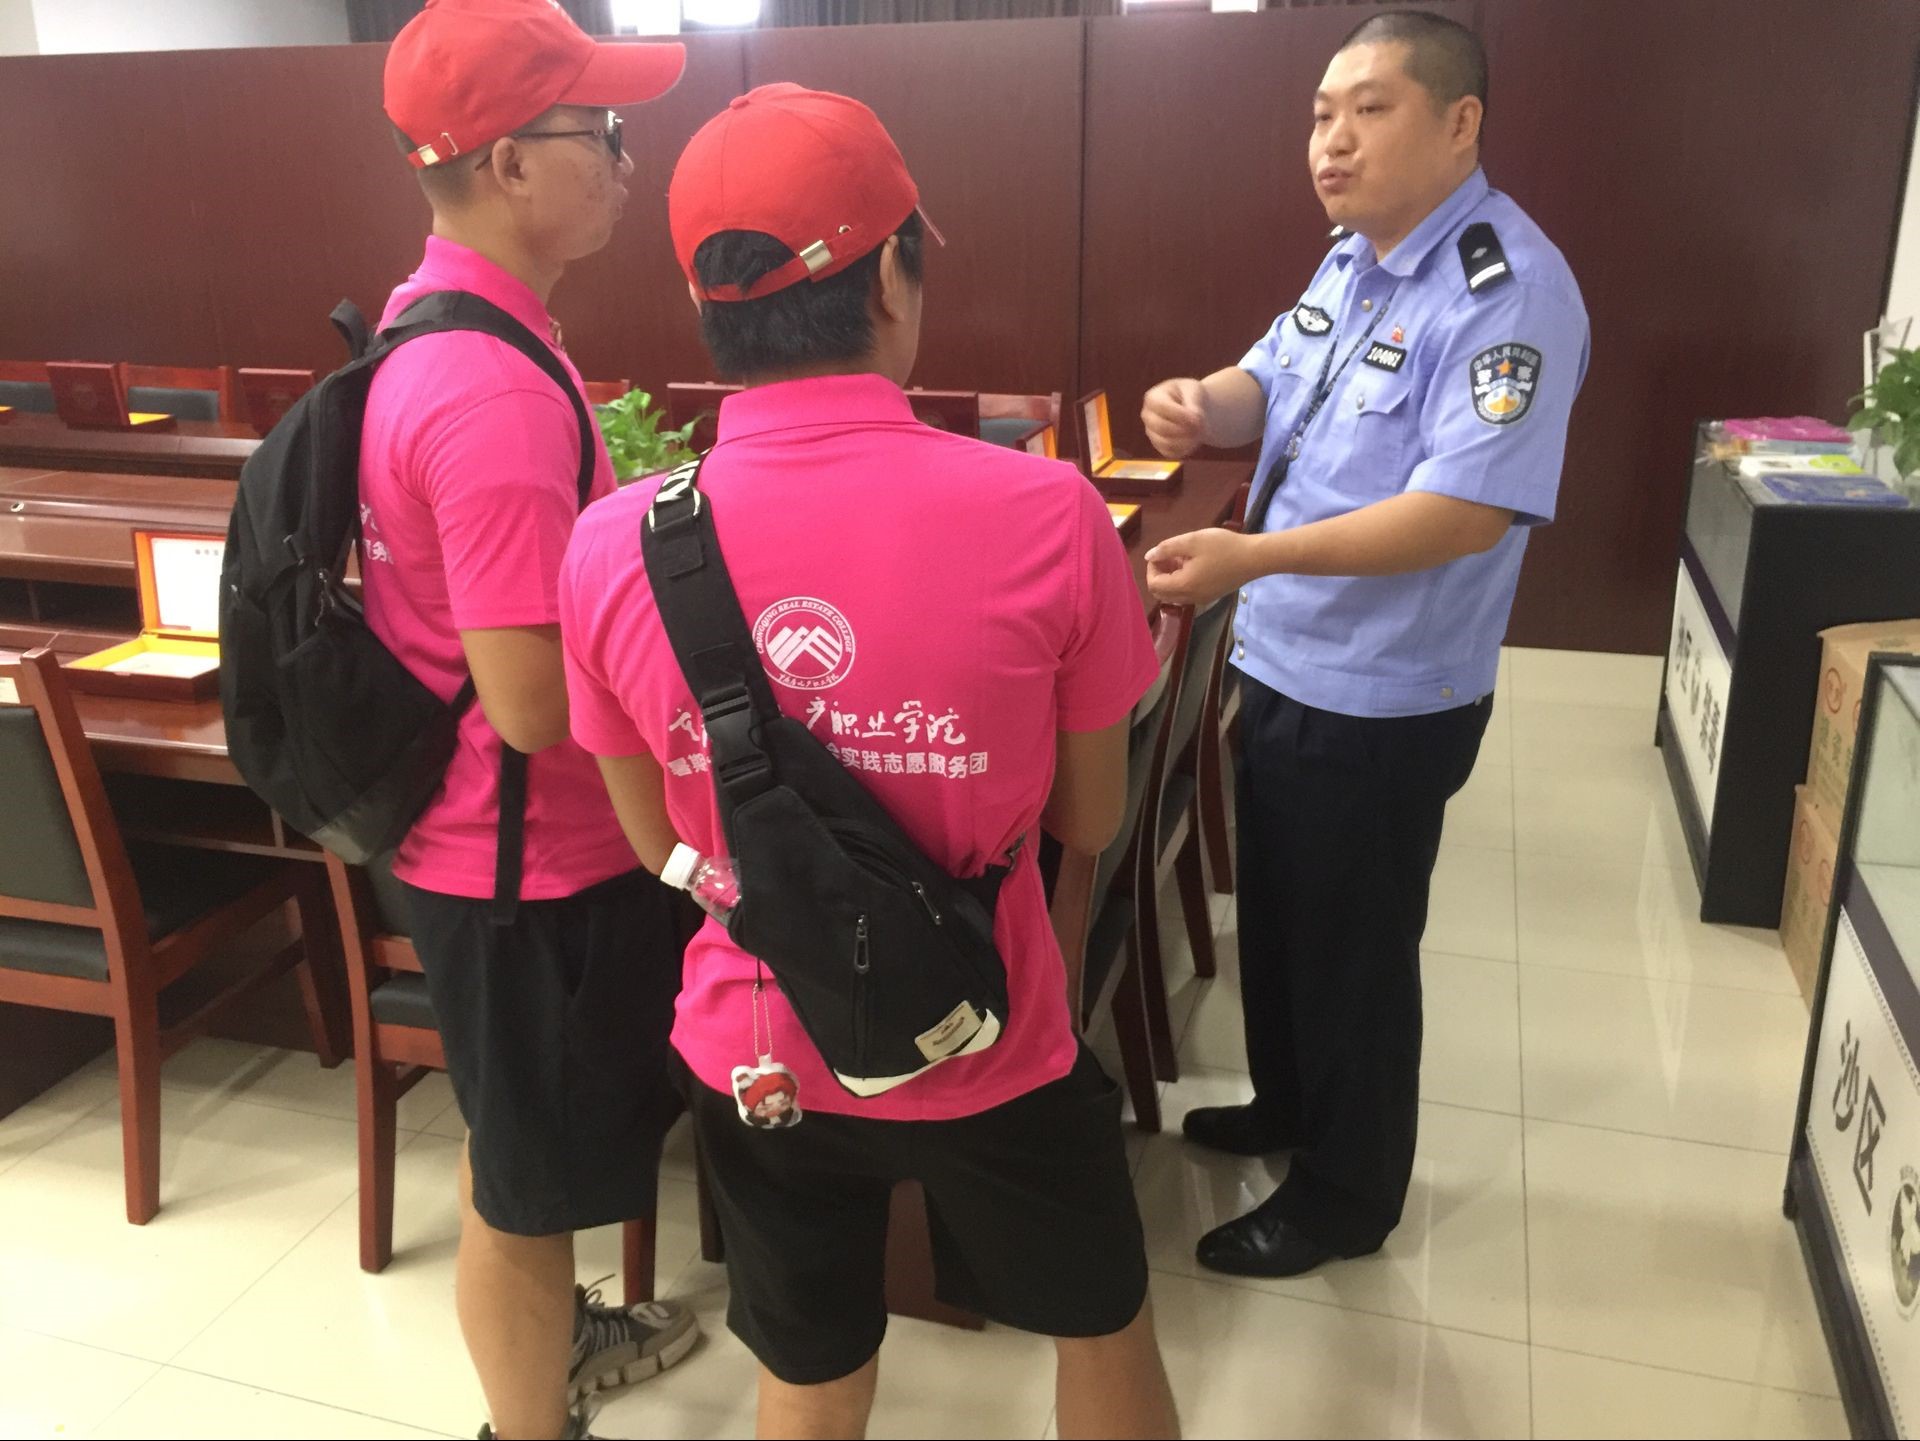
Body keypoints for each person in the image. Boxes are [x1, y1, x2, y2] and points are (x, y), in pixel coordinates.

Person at [558, 83, 1181, 1441]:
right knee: (1102, 1327)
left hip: (758, 1045)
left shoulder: (612, 544)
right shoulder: (1050, 513)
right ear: (893, 278)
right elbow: (1091, 814)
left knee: (808, 1372)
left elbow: (656, 839)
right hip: (992, 1033)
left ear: (707, 304)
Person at [1141, 10, 1589, 1278]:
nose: (1331, 142)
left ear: (1460, 123)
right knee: (1285, 918)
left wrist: (1251, 559)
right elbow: (1270, 383)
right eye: (1321, 116)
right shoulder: (1355, 257)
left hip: (1386, 691)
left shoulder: (1509, 292)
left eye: (1369, 110)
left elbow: (1463, 511)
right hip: (1287, 655)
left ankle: (1344, 1195)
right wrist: (1201, 403)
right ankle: (1287, 1106)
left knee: (1354, 952)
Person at [366, 2, 698, 1435]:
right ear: (507, 162)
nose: (626, 162)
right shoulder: (490, 387)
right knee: (523, 1185)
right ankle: (526, 1419)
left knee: (525, 1148)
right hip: (523, 866)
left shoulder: (441, 321)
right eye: (601, 133)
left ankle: (554, 1339)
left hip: (487, 845)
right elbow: (529, 699)